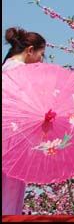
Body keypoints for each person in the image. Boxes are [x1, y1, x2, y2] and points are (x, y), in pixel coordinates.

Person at [2, 27, 47, 216]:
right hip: (14, 137)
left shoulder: (5, 68)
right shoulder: (23, 72)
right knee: (11, 191)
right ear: (29, 51)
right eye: (41, 54)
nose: (41, 60)